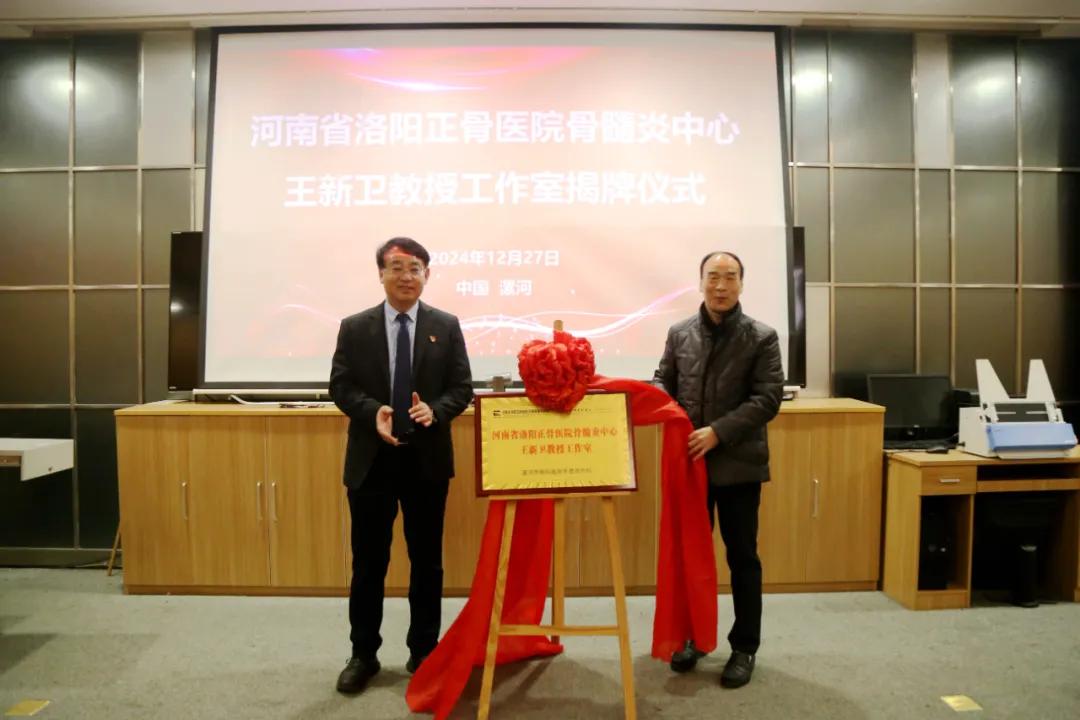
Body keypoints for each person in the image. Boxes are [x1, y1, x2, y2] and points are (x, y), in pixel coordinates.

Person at [329, 237, 473, 694]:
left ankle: (424, 651)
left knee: (427, 562)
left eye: (415, 268)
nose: (406, 276)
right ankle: (363, 654)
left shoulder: (445, 325)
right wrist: (374, 411)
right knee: (369, 563)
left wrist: (436, 410)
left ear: (427, 275)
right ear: (381, 274)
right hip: (372, 462)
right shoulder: (355, 327)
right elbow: (341, 387)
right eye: (396, 267)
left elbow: (461, 388)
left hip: (425, 461)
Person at [653, 250, 784, 688]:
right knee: (691, 556)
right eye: (713, 276)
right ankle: (693, 638)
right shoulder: (680, 333)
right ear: (701, 281)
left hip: (739, 466)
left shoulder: (761, 337)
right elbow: (663, 380)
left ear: (741, 284)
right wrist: (663, 405)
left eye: (730, 277)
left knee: (742, 557)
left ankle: (744, 646)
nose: (721, 286)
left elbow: (767, 398)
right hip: (690, 465)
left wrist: (718, 432)